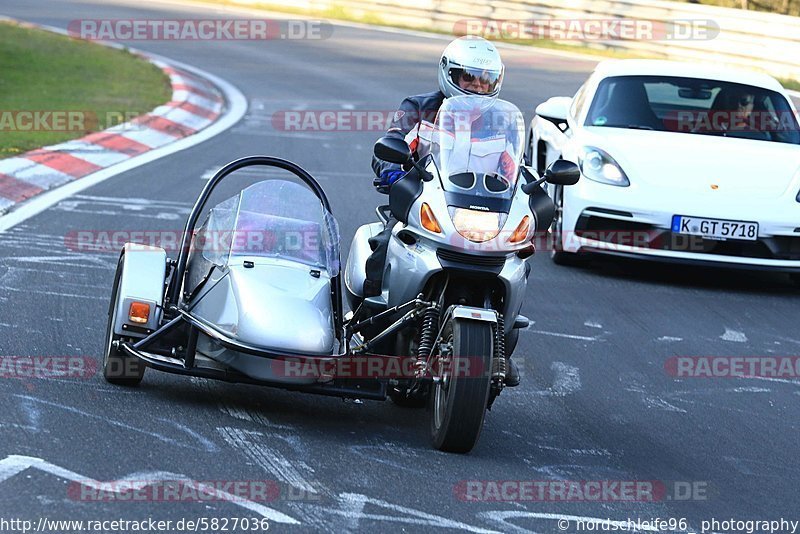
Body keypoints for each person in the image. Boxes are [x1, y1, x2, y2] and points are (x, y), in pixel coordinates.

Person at [366, 36, 521, 387]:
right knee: (381, 248)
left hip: (482, 211)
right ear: (449, 74)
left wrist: (530, 190)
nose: (477, 87)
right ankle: (368, 334)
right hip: (427, 205)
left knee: (519, 260)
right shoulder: (419, 108)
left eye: (486, 80)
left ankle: (503, 344)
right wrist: (392, 172)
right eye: (469, 77)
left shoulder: (502, 122)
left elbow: (517, 167)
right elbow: (390, 144)